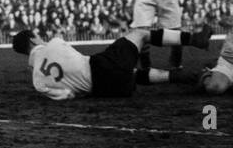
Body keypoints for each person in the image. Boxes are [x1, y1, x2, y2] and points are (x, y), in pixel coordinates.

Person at [12, 23, 211, 100]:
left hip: (102, 90)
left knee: (129, 76)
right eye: (37, 36)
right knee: (140, 34)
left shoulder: (37, 81)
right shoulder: (54, 43)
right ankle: (194, 40)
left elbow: (67, 94)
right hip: (98, 66)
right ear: (33, 39)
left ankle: (185, 77)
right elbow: (77, 59)